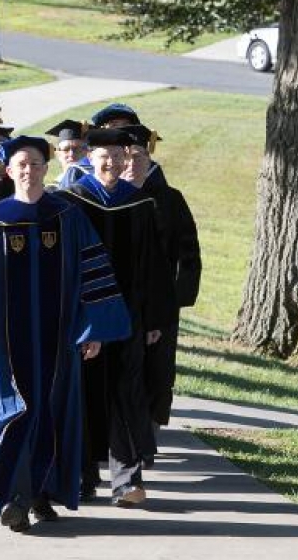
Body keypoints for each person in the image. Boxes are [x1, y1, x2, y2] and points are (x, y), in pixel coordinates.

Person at [0, 136, 131, 532]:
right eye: (21, 164)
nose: (29, 171)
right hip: (4, 349)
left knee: (53, 414)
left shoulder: (67, 217)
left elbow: (92, 275)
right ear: (9, 171)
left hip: (58, 344)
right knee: (9, 416)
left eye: (36, 164)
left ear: (47, 169)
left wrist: (92, 329)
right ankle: (12, 497)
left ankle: (42, 494)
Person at [57, 128, 175, 508]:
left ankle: (126, 481)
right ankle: (81, 476)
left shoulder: (140, 204)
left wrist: (155, 318)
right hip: (82, 316)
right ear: (88, 159)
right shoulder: (71, 201)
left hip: (129, 317)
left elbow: (156, 266)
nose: (109, 162)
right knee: (83, 392)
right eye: (101, 155)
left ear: (127, 160)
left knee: (128, 393)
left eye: (116, 156)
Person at [120, 124, 202, 440]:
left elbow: (189, 251)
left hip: (160, 300)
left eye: (137, 155)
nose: (130, 163)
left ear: (149, 157)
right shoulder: (107, 198)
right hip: (120, 298)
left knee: (157, 370)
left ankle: (147, 433)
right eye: (123, 156)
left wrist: (177, 298)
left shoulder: (169, 199)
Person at [44, 119, 89, 186]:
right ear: (58, 154)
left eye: (76, 149)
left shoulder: (96, 179)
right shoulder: (54, 188)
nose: (71, 154)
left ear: (86, 152)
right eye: (66, 149)